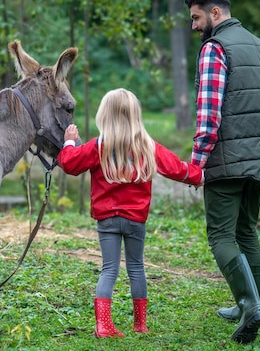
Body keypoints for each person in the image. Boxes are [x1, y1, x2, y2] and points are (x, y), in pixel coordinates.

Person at [183, 0, 260, 344]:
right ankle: (250, 302)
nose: (194, 27)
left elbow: (208, 114)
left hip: (228, 160)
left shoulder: (215, 49)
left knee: (221, 235)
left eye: (196, 18)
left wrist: (197, 163)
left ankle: (251, 306)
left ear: (215, 13)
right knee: (246, 230)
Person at [57, 88, 204, 339]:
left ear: (105, 116)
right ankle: (140, 324)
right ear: (136, 116)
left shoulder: (98, 146)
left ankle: (104, 325)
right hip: (136, 220)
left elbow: (69, 163)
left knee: (109, 269)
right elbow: (177, 169)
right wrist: (201, 176)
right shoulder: (148, 147)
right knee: (136, 268)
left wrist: (70, 141)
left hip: (107, 219)